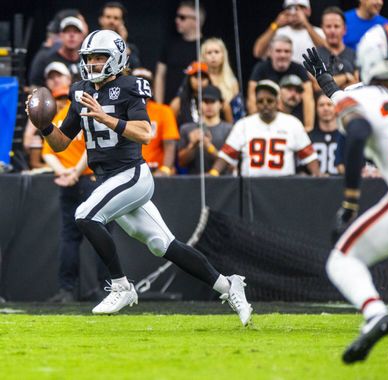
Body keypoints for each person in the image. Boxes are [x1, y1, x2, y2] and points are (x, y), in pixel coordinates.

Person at [26, 29, 252, 326]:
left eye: (99, 57)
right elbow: (61, 143)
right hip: (108, 180)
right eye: (89, 58)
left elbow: (146, 133)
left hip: (132, 173)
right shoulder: (79, 91)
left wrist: (107, 118)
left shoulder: (130, 86)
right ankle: (227, 284)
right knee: (163, 244)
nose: (92, 64)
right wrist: (43, 127)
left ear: (117, 58)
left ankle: (121, 286)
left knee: (85, 215)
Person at [302, 25, 388, 364]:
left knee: (342, 260)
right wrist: (327, 82)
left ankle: (375, 313)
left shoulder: (363, 97)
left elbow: (357, 129)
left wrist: (350, 201)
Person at [42, 85, 108, 302]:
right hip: (88, 179)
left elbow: (50, 152)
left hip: (71, 179)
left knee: (70, 237)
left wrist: (65, 173)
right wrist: (71, 173)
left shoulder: (59, 118)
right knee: (100, 234)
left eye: (64, 98)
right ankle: (105, 288)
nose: (62, 102)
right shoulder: (84, 111)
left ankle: (67, 290)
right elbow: (93, 147)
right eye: (59, 98)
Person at [209, 80, 320, 177]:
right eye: (260, 101)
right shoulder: (243, 124)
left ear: (277, 102)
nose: (265, 104)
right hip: (252, 186)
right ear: (256, 103)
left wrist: (318, 175)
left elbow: (309, 156)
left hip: (283, 185)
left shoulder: (292, 123)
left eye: (269, 101)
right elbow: (227, 154)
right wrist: (213, 172)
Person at [248, 35, 315, 132]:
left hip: (295, 119)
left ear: (292, 53)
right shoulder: (260, 68)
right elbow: (252, 97)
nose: (283, 55)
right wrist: (256, 125)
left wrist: (309, 126)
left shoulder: (299, 69)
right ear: (270, 52)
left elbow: (308, 98)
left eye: (286, 51)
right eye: (278, 51)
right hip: (267, 119)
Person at [154, 0, 206, 104]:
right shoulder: (170, 45)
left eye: (182, 17)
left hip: (198, 106)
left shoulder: (207, 46)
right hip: (169, 107)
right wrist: (159, 106)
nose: (177, 20)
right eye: (177, 16)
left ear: (196, 20)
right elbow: (160, 76)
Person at [24, 62, 73, 169]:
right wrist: (37, 117)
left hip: (78, 161)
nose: (56, 80)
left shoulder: (78, 101)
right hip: (52, 161)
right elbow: (27, 142)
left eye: (59, 76)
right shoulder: (40, 105)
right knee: (37, 132)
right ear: (47, 82)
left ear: (69, 78)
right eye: (51, 77)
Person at [132, 67, 179, 176]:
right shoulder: (121, 112)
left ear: (151, 90)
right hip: (129, 171)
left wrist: (165, 170)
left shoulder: (164, 111)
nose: (140, 90)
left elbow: (170, 144)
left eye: (145, 86)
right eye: (136, 86)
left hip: (156, 170)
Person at [178, 85, 232, 174]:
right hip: (194, 182)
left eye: (213, 101)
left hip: (223, 183)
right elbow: (181, 163)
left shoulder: (229, 130)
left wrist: (209, 147)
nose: (209, 105)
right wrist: (192, 145)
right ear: (199, 104)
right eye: (205, 101)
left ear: (221, 104)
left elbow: (230, 165)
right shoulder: (186, 129)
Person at [253, 0, 325, 64]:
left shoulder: (319, 32)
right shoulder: (277, 32)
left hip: (312, 77)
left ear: (308, 11)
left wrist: (305, 24)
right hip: (284, 77)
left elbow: (327, 52)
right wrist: (275, 24)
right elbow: (258, 52)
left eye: (300, 7)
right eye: (290, 8)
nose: (295, 12)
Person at [29, 16, 86, 86]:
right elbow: (35, 86)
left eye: (76, 31)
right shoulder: (46, 60)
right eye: (67, 31)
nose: (71, 35)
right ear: (60, 35)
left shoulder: (87, 61)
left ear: (82, 36)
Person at [316, 7, 359, 91]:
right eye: (328, 26)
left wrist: (327, 82)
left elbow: (357, 83)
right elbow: (316, 86)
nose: (332, 31)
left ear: (344, 29)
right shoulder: (315, 55)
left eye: (336, 26)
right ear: (322, 29)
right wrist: (345, 77)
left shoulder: (355, 55)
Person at [200, 38, 242, 121]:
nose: (213, 56)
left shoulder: (232, 82)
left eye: (216, 52)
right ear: (203, 56)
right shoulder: (198, 79)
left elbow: (237, 109)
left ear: (223, 55)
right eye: (209, 53)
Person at [98, 2, 141, 70]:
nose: (111, 21)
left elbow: (133, 69)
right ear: (100, 19)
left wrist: (122, 41)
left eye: (116, 18)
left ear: (122, 22)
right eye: (108, 17)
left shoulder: (131, 48)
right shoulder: (91, 42)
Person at [309, 93, 340, 175]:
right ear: (316, 109)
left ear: (336, 108)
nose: (325, 108)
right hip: (315, 185)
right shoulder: (309, 137)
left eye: (329, 105)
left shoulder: (345, 136)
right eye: (321, 105)